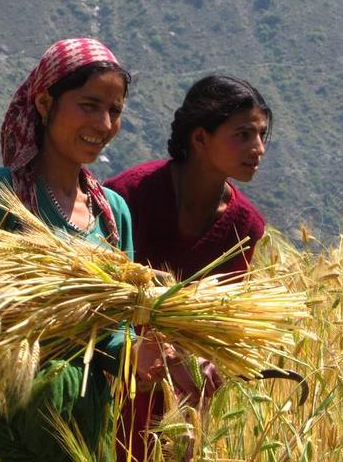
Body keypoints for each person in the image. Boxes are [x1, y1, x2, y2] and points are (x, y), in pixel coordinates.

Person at [0, 38, 135, 462]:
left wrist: (144, 353)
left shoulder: (113, 214)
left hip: (81, 432)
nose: (104, 123)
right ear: (46, 102)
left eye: (115, 110)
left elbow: (119, 331)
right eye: (89, 105)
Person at [105, 75, 271, 461]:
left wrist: (206, 362)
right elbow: (99, 297)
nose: (259, 148)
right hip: (111, 377)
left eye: (261, 135)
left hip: (178, 397)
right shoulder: (127, 197)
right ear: (200, 138)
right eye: (243, 134)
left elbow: (221, 322)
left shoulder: (244, 227)